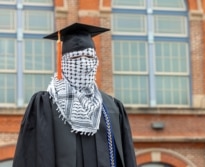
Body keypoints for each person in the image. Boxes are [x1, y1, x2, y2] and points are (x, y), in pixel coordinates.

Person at [13, 23, 137, 167]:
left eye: (89, 57)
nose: (84, 63)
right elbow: (31, 156)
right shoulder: (45, 105)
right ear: (63, 62)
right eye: (76, 57)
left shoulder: (112, 107)